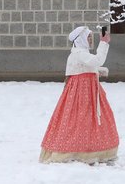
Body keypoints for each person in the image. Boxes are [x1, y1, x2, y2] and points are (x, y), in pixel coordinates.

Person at [39, 26, 119, 163]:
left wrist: (98, 70)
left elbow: (87, 66)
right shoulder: (79, 53)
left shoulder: (80, 53)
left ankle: (90, 150)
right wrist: (104, 42)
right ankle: (76, 151)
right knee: (80, 120)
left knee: (87, 119)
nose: (90, 40)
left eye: (90, 37)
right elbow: (96, 60)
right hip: (81, 93)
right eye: (87, 37)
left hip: (88, 90)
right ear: (80, 39)